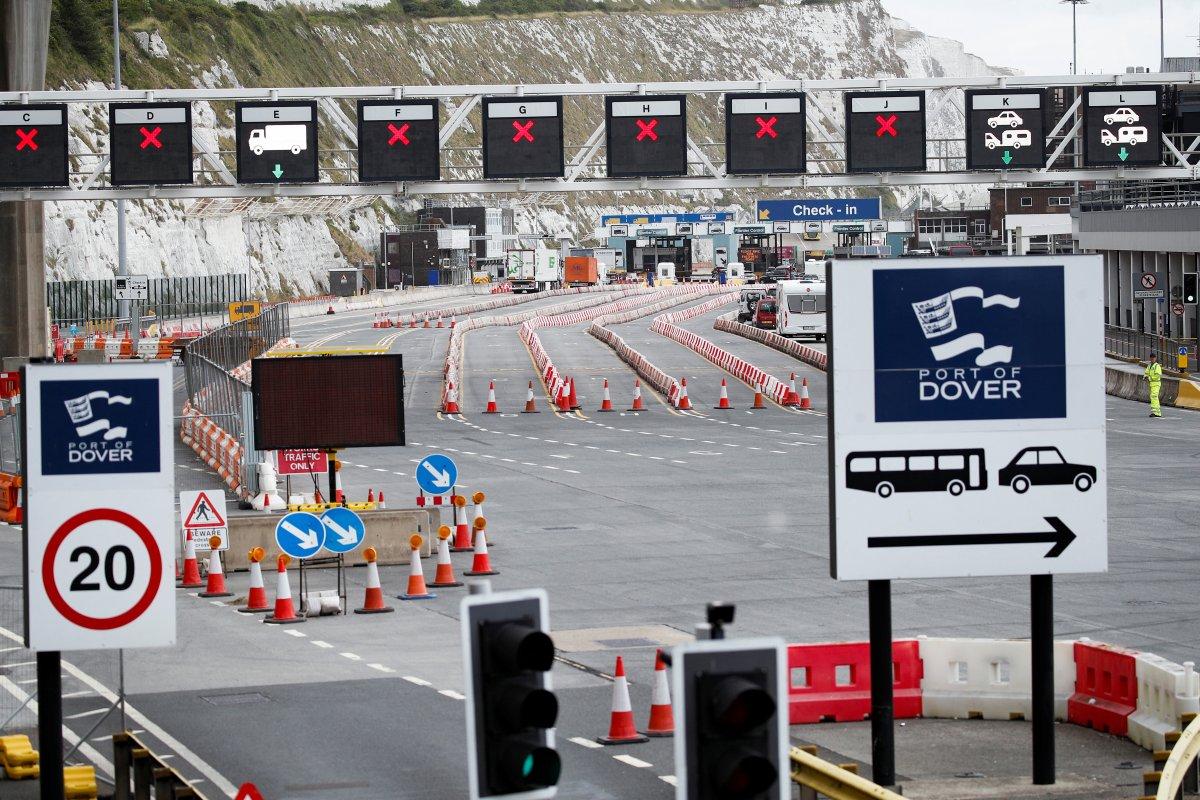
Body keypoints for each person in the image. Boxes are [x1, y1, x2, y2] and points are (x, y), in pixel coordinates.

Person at [1145, 353, 1163, 418]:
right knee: (1153, 397)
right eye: (1151, 357)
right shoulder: (1149, 366)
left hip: (1156, 383)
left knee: (1154, 396)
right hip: (1152, 384)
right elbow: (1146, 372)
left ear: (1155, 358)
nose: (1152, 359)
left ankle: (1157, 412)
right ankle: (1155, 412)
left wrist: (1149, 378)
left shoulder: (1157, 366)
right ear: (1150, 358)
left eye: (1153, 358)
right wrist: (1145, 376)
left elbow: (1158, 375)